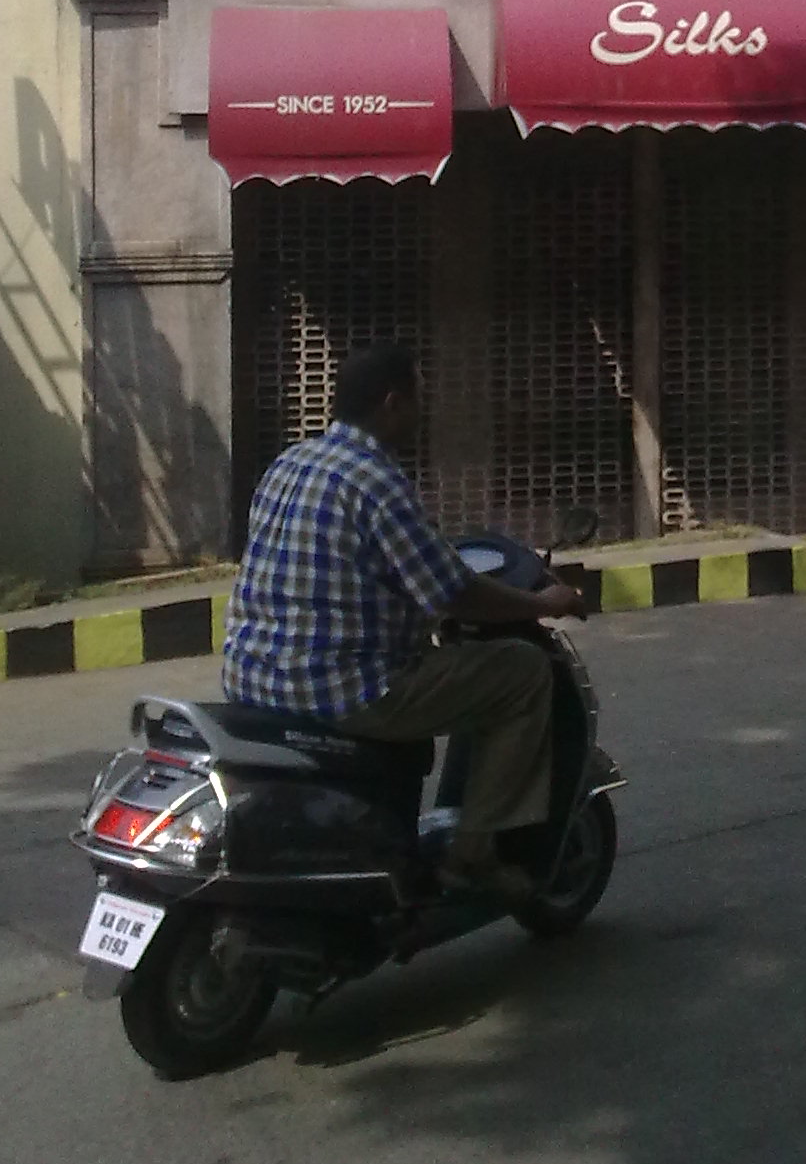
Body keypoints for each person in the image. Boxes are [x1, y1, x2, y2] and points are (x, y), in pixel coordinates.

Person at [222, 340, 585, 900]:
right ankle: (473, 856)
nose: (422, 413)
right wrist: (546, 604)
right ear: (392, 404)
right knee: (522, 671)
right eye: (418, 401)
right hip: (346, 690)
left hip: (255, 677)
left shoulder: (289, 463)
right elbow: (455, 592)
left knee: (455, 666)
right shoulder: (377, 481)